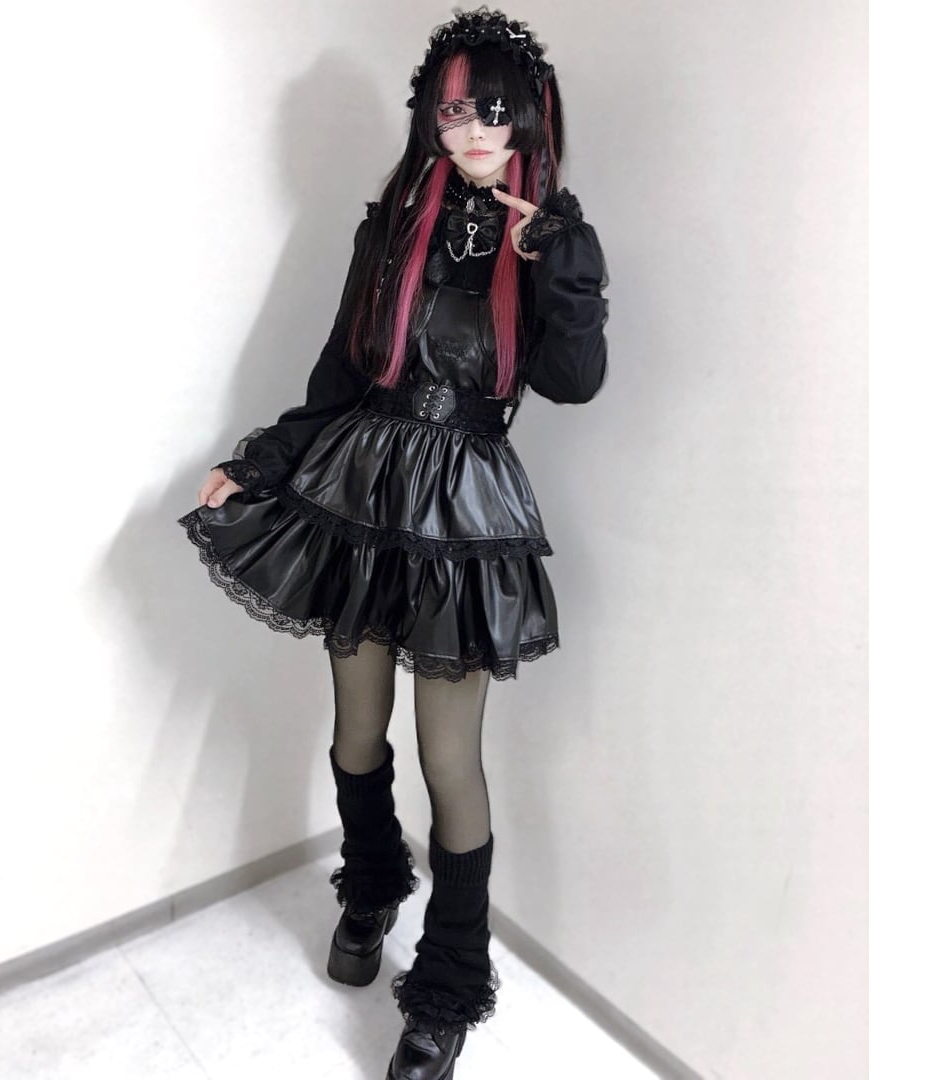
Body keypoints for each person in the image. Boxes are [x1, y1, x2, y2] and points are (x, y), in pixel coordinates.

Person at [176, 6, 608, 1076]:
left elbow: (574, 383)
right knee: (358, 728)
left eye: (492, 111)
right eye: (453, 112)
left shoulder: (550, 238)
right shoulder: (395, 225)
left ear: (529, 120)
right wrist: (264, 460)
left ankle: (450, 986)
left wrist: (557, 263)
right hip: (362, 487)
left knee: (448, 755)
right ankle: (371, 886)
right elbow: (342, 371)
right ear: (430, 120)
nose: (473, 131)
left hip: (463, 511)